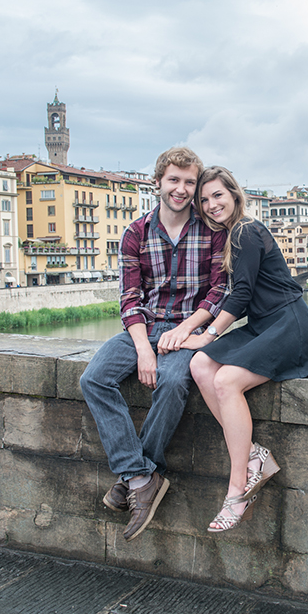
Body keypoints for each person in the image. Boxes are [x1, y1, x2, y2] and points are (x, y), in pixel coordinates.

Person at [79, 148, 229, 541]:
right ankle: (141, 474)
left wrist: (188, 332)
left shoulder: (212, 230)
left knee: (174, 382)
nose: (181, 189)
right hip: (143, 327)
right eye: (174, 180)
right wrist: (144, 348)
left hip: (190, 329)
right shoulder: (136, 232)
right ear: (158, 182)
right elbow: (129, 298)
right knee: (94, 379)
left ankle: (134, 477)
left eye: (189, 182)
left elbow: (218, 291)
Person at [178, 166, 308, 532]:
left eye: (218, 196)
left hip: (289, 325)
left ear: (234, 195)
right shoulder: (231, 236)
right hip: (262, 325)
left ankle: (237, 489)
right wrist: (195, 335)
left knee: (225, 380)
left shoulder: (244, 230)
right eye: (205, 200)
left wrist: (208, 334)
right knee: (199, 366)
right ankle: (255, 454)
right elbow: (236, 296)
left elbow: (240, 295)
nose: (211, 205)